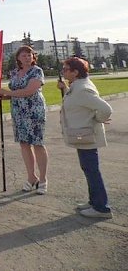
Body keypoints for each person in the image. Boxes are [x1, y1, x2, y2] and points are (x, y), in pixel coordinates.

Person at [57, 57, 113, 219]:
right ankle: (94, 202)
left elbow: (105, 108)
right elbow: (77, 102)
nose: (63, 72)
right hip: (82, 135)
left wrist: (98, 119)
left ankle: (102, 208)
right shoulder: (78, 86)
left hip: (86, 134)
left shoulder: (82, 89)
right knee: (89, 169)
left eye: (66, 69)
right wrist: (66, 89)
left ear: (75, 72)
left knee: (92, 170)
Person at [0, 46, 49, 194]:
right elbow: (14, 93)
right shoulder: (14, 73)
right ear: (18, 58)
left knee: (38, 143)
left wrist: (8, 92)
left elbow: (29, 91)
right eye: (24, 55)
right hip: (18, 112)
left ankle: (43, 179)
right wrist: (3, 96)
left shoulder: (37, 71)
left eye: (29, 55)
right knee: (24, 144)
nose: (27, 57)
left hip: (34, 111)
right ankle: (32, 177)